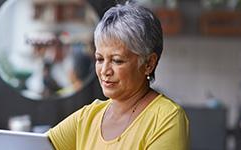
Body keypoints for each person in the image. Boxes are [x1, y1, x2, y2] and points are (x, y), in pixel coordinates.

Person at [47, 2, 189, 150]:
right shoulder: (88, 117)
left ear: (149, 64)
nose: (104, 71)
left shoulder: (166, 119)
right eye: (100, 59)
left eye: (117, 60)